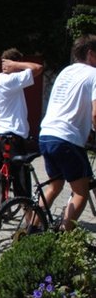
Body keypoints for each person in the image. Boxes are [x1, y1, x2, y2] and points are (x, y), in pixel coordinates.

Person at [0, 49, 43, 232]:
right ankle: (31, 224)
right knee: (21, 181)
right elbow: (37, 68)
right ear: (14, 63)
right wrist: (18, 66)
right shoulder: (12, 79)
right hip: (13, 136)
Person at [39, 35, 96, 231]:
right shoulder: (93, 74)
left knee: (54, 186)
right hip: (67, 139)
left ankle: (31, 229)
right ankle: (65, 237)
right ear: (90, 54)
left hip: (46, 134)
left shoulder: (65, 72)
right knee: (81, 192)